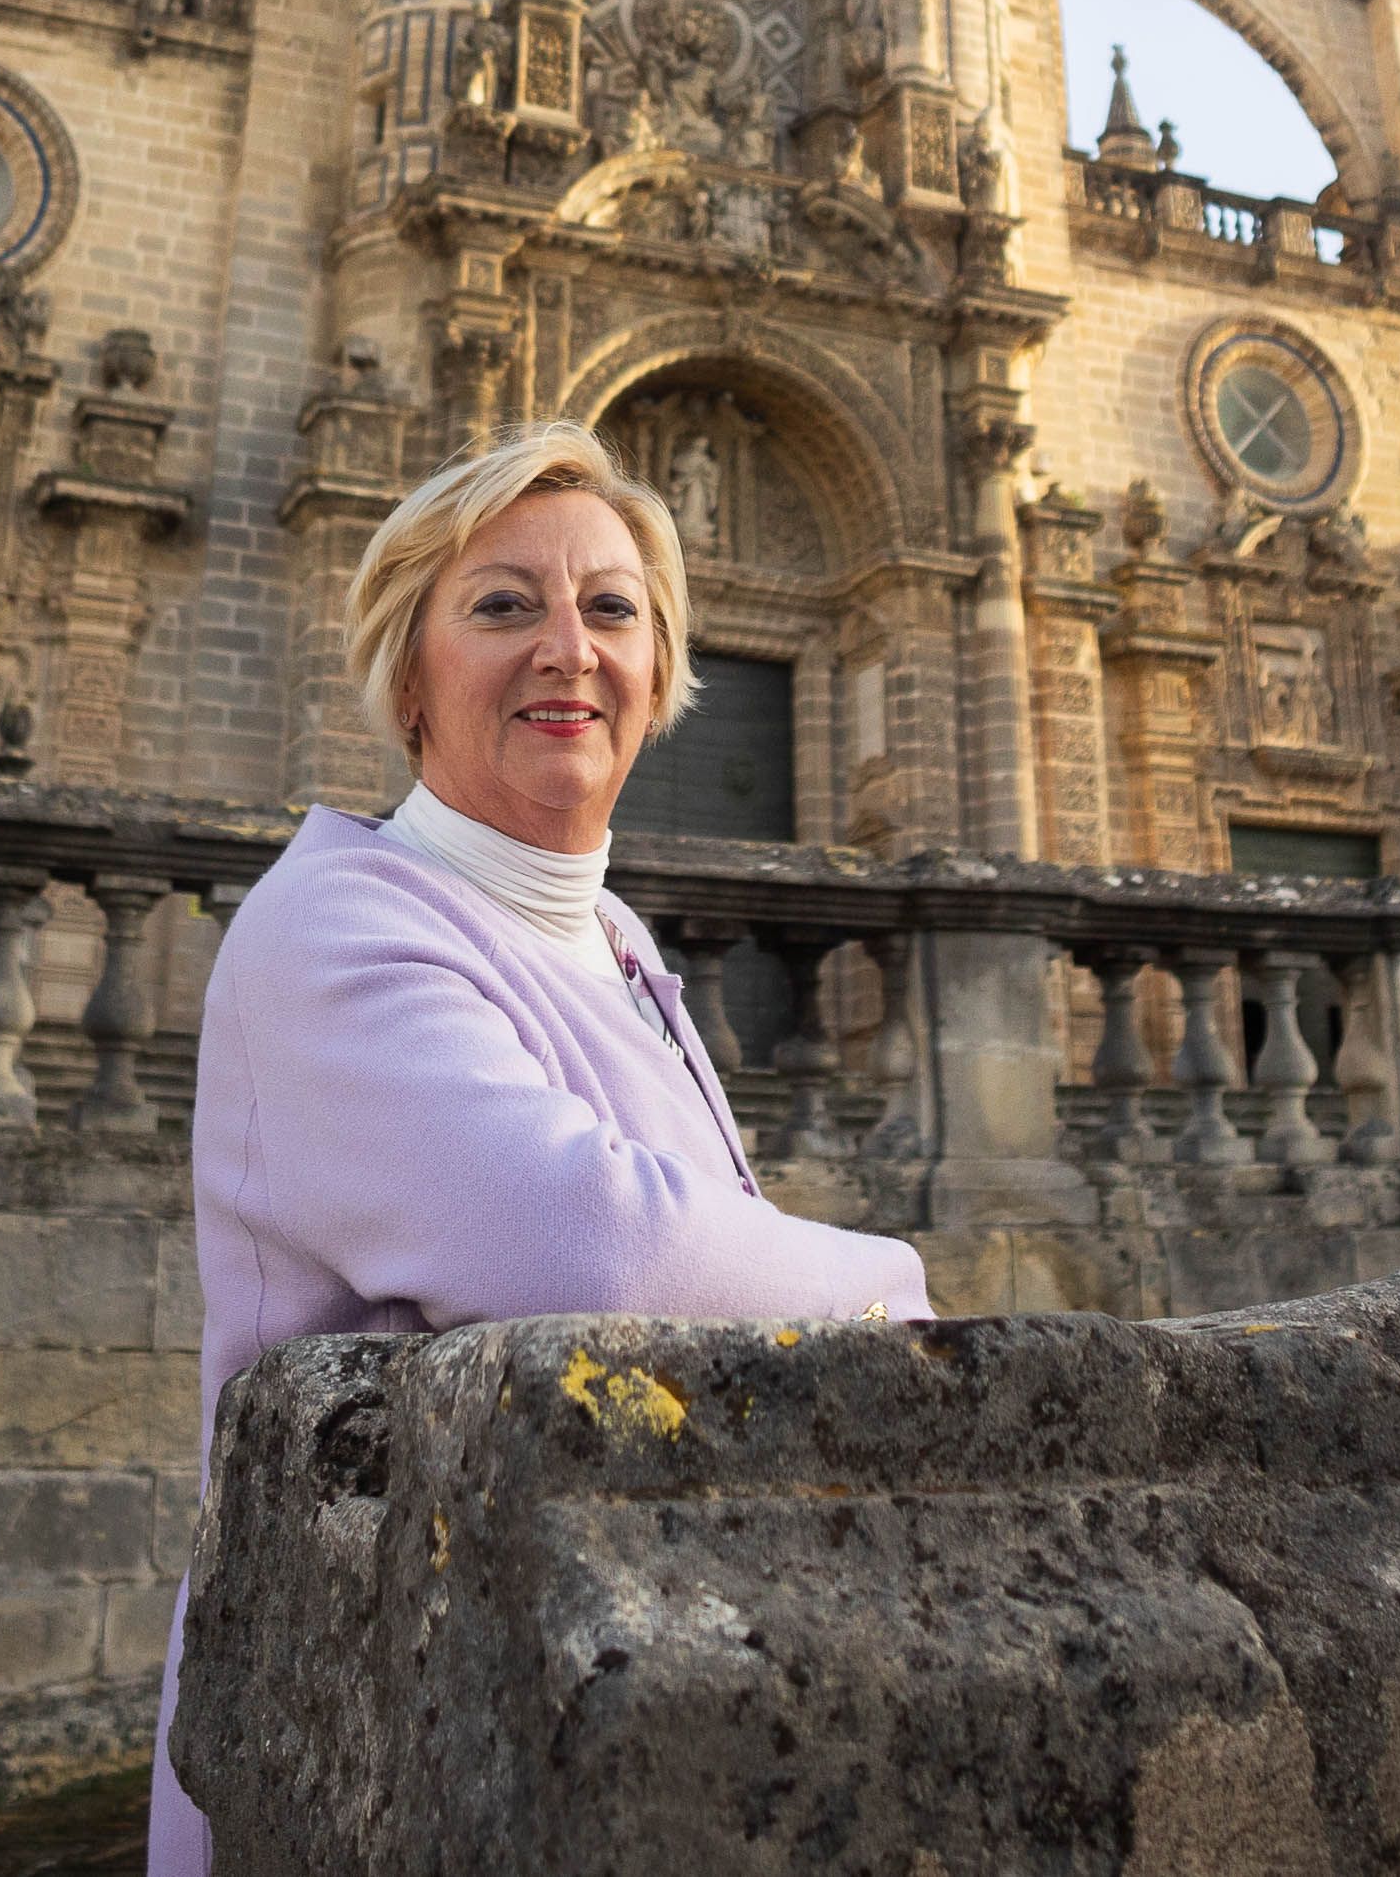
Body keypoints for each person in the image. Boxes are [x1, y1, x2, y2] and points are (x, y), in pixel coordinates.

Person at [149, 420, 930, 1873]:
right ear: (408, 675)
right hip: (381, 1721)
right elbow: (598, 1243)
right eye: (504, 605)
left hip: (601, 1694)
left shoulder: (617, 940)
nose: (569, 647)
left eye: (612, 608)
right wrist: (904, 1287)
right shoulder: (335, 923)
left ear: (660, 674)